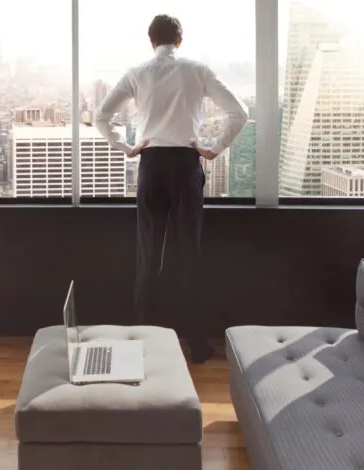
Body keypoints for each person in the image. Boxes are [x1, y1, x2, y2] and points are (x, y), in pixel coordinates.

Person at [94, 14, 248, 363]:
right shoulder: (198, 70)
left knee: (148, 256)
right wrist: (213, 148)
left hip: (151, 166)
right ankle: (196, 344)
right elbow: (239, 113)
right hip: (185, 165)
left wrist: (127, 148)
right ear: (180, 40)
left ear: (151, 41)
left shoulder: (138, 73)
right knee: (188, 256)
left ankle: (141, 342)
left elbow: (101, 116)